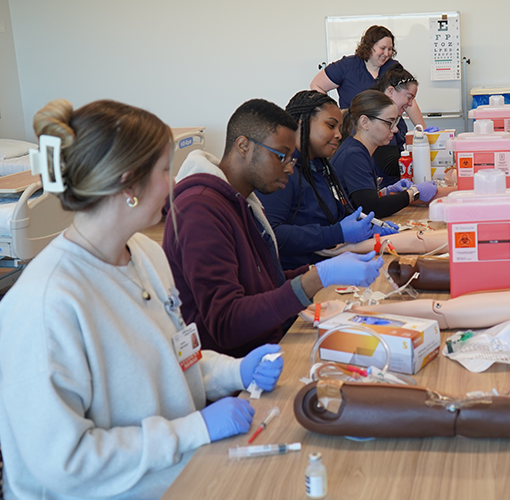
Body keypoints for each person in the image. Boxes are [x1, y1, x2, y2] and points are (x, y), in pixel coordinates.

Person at [0, 99, 286, 500]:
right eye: (165, 170)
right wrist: (194, 430)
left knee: (288, 486)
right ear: (128, 183)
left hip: (168, 474)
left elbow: (176, 355)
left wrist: (234, 371)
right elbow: (66, 463)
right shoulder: (46, 303)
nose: (174, 184)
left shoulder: (143, 254)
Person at [163, 98, 384, 358]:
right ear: (244, 146)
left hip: (268, 341)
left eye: (291, 159)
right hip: (237, 365)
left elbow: (264, 283)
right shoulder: (200, 210)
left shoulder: (244, 201)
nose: (289, 168)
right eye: (281, 157)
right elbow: (226, 323)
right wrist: (318, 278)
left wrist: (320, 270)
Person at [260, 90, 398, 271]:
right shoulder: (280, 170)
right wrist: (337, 233)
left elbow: (336, 214)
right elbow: (272, 233)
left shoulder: (320, 166)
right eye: (330, 126)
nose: (338, 135)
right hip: (300, 273)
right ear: (302, 123)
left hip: (331, 260)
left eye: (338, 128)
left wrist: (369, 226)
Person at [331, 90, 437, 219]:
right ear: (365, 122)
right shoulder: (353, 155)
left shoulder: (360, 150)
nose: (395, 129)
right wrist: (413, 193)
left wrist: (386, 192)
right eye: (389, 123)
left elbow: (362, 197)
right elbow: (372, 208)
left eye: (395, 123)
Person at [372, 65, 422, 186]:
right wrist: (423, 156)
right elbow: (389, 165)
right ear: (390, 91)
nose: (410, 104)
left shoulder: (399, 120)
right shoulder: (377, 119)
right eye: (409, 98)